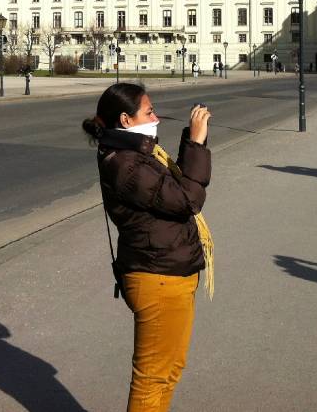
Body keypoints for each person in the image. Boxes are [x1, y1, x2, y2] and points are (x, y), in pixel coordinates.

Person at [83, 84, 213, 412]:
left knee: (169, 371)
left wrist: (191, 139)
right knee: (152, 379)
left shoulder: (138, 153)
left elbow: (176, 186)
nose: (156, 117)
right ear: (126, 120)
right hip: (157, 278)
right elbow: (187, 199)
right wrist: (196, 142)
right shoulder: (125, 163)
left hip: (170, 270)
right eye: (149, 111)